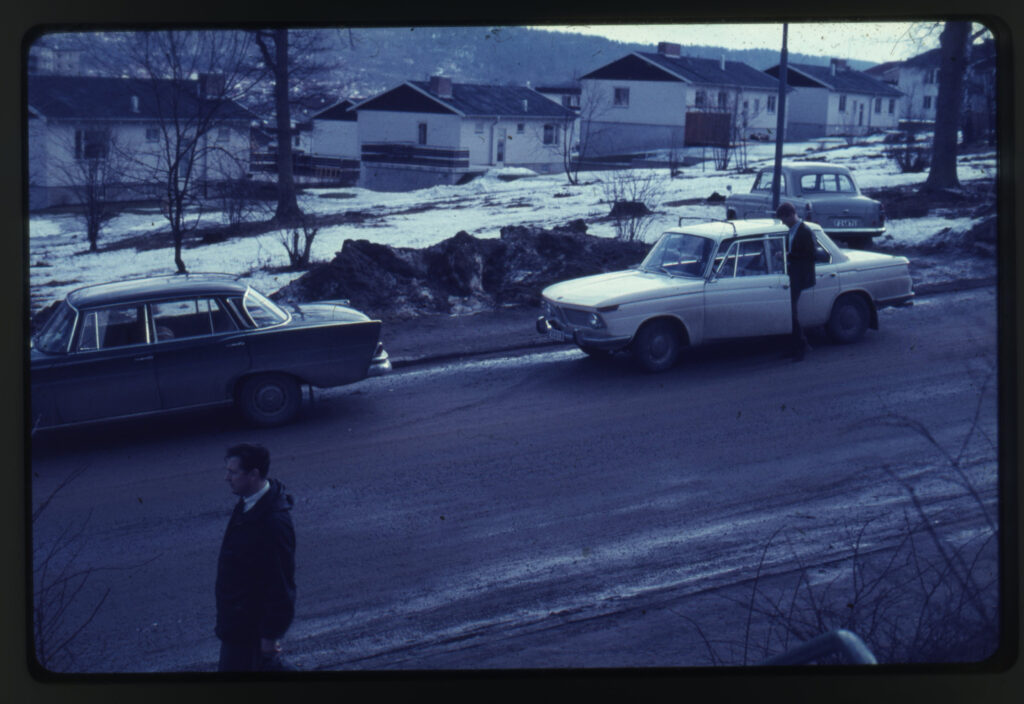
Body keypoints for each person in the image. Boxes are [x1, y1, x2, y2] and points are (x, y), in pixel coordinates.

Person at [215, 443, 296, 672]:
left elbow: (281, 585)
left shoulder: (273, 523)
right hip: (237, 622)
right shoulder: (249, 503)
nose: (226, 478)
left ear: (253, 475)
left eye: (232, 472)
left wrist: (270, 636)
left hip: (248, 629)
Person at [776, 202, 816, 361]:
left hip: (800, 276)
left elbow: (809, 256)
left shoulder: (804, 231)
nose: (783, 223)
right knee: (788, 312)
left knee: (791, 312)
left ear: (790, 215)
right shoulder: (792, 231)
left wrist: (786, 256)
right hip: (792, 275)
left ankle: (801, 347)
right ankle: (795, 346)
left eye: (783, 219)